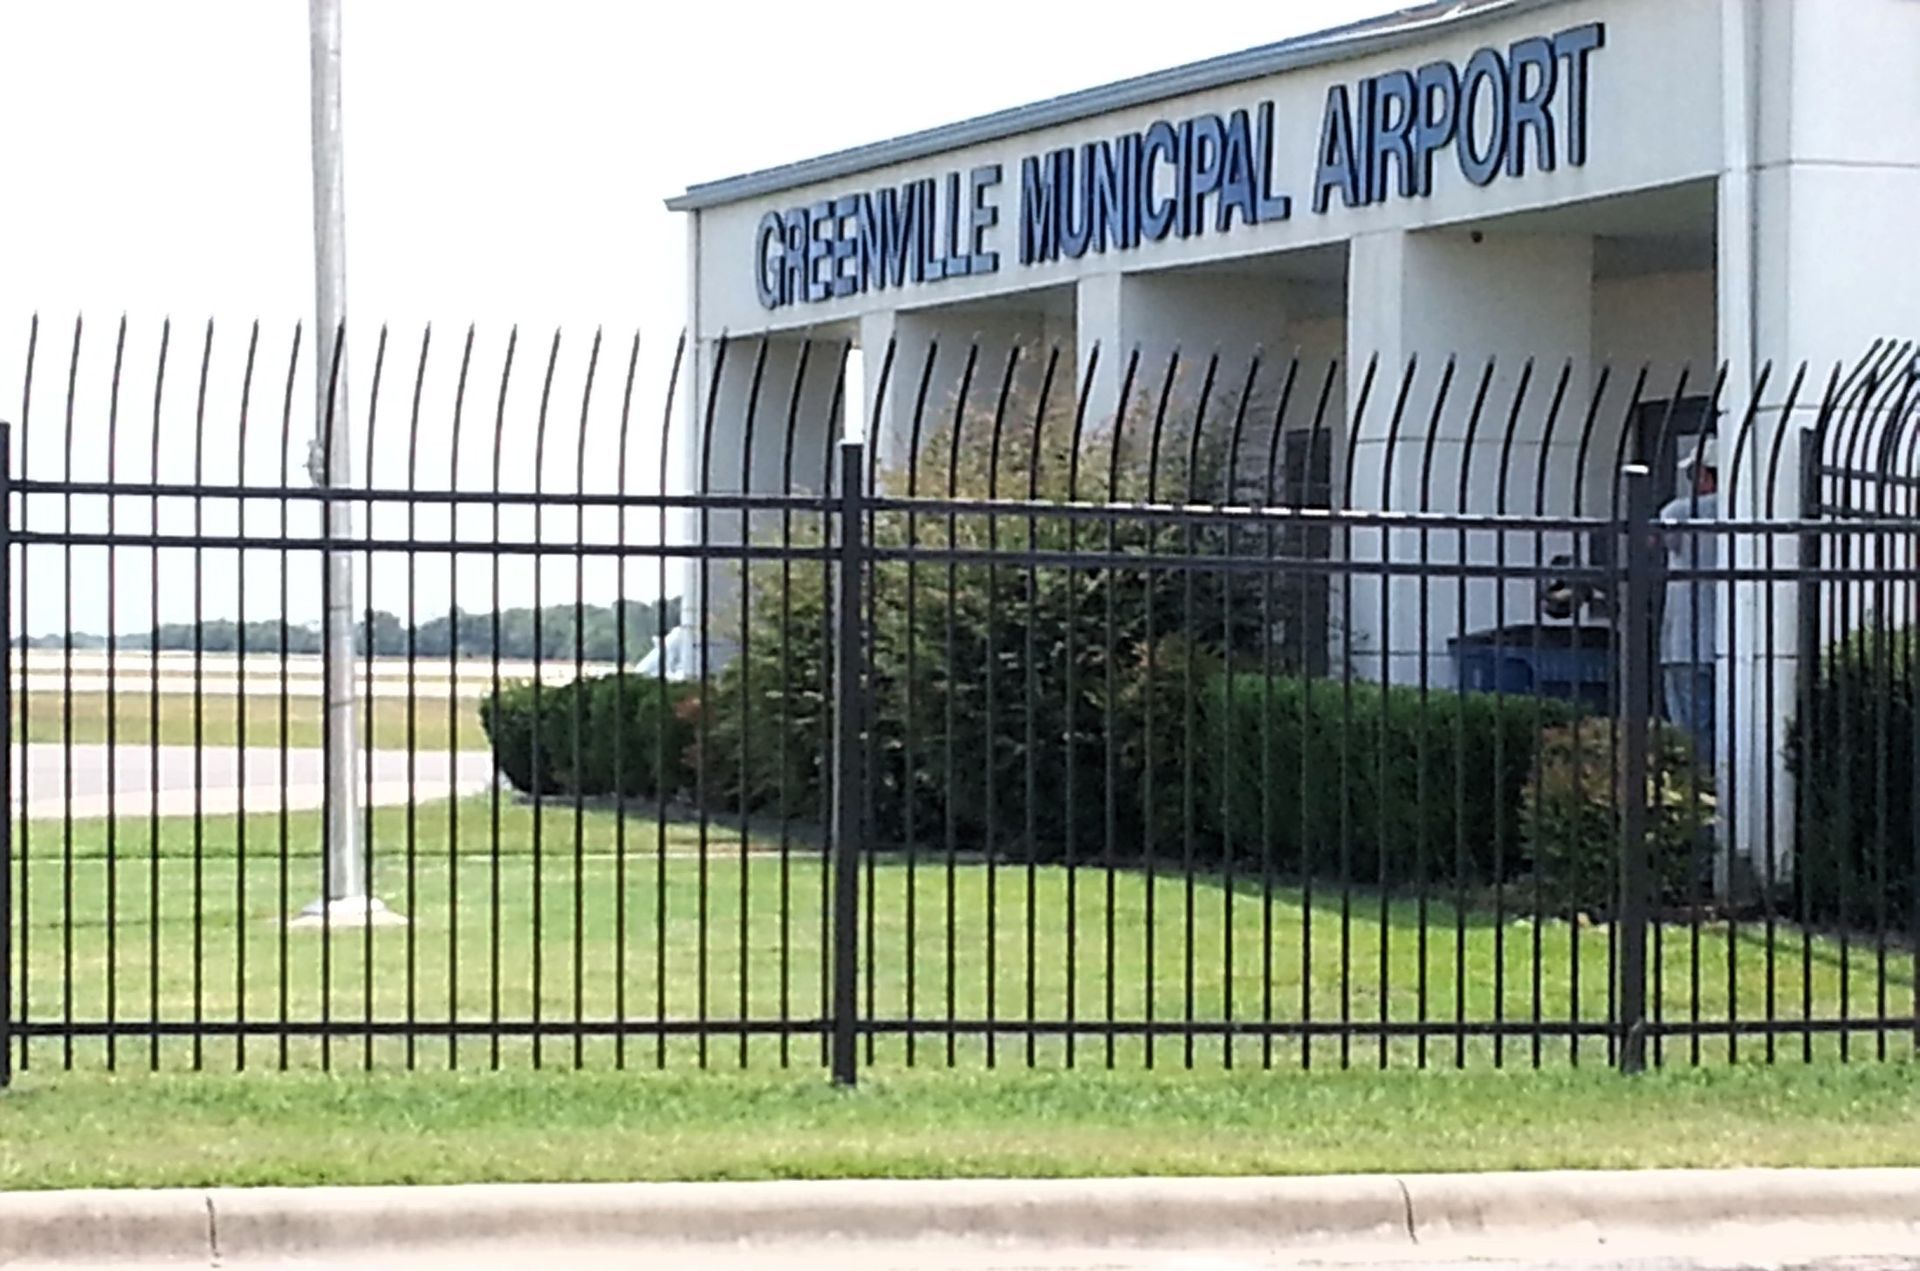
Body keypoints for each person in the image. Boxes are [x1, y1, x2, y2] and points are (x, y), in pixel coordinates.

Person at [1658, 436, 1718, 769]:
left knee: (1689, 733)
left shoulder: (1681, 511)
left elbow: (1650, 540)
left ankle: (1700, 802)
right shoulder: (1743, 510)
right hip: (1731, 648)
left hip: (1686, 642)